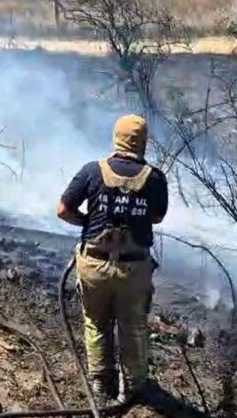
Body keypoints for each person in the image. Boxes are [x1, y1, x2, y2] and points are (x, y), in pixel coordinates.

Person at [57, 114, 169, 404]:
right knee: (132, 326)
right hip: (133, 269)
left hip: (94, 264)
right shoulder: (155, 179)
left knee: (95, 322)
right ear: (142, 141)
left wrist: (87, 223)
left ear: (116, 138)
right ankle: (131, 388)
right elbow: (156, 216)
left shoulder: (91, 171)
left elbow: (63, 210)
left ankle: (100, 382)